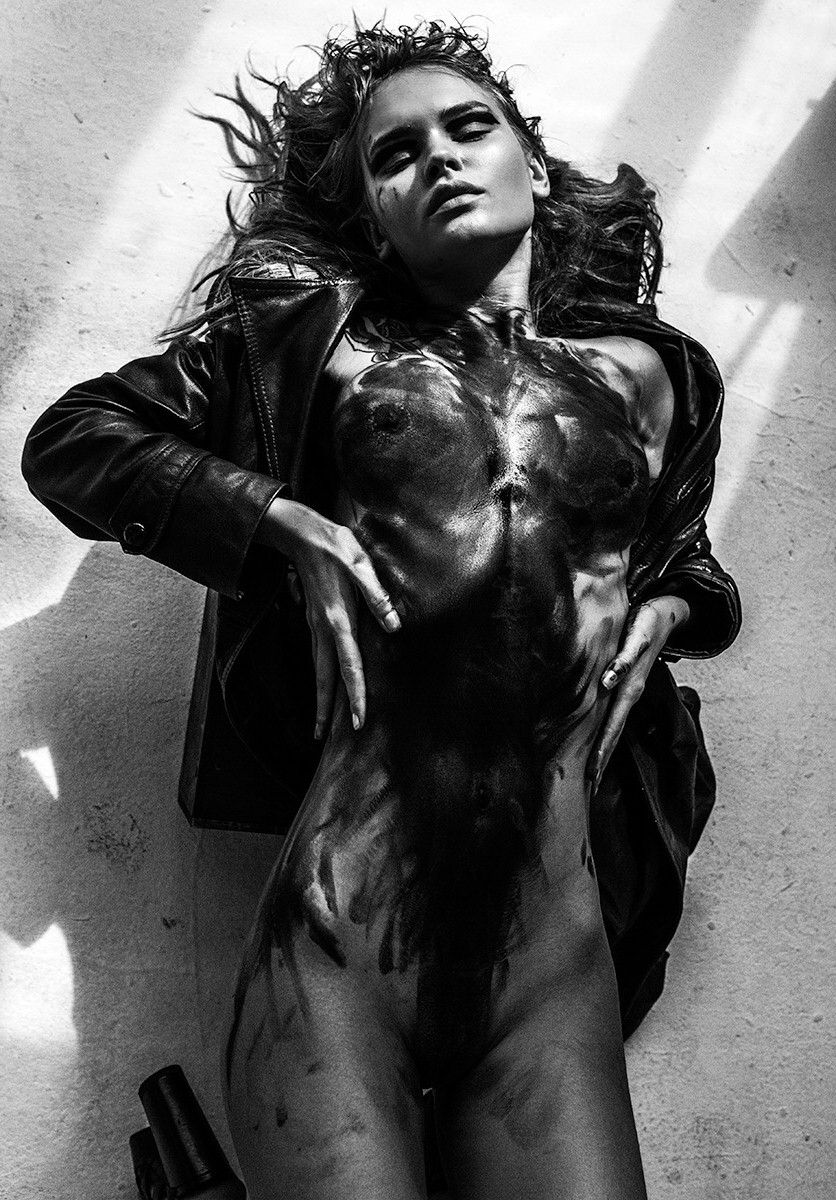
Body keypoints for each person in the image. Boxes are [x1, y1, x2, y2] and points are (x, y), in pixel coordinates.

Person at [22, 21, 741, 1200]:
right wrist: (272, 519)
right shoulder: (316, 350)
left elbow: (666, 542)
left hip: (551, 963)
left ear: (531, 163)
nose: (438, 159)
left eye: (468, 128)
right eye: (394, 155)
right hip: (337, 938)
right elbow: (73, 440)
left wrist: (674, 600)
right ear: (372, 218)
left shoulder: (654, 376)